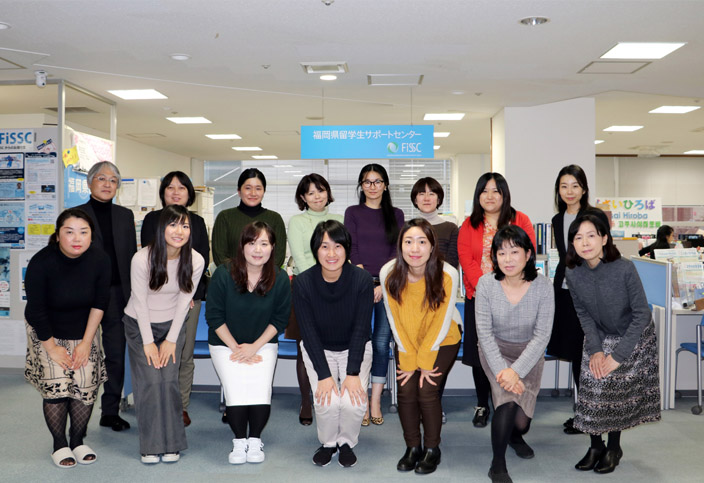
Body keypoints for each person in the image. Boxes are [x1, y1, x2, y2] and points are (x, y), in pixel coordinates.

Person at [565, 213, 661, 474]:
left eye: (591, 235)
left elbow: (642, 314)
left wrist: (616, 356)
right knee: (591, 380)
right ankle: (595, 445)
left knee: (612, 381)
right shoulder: (573, 272)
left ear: (604, 238)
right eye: (578, 237)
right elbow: (583, 314)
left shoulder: (624, 267)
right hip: (599, 334)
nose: (585, 242)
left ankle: (613, 447)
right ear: (572, 243)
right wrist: (595, 350)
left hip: (634, 334)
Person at [24, 208, 111, 468]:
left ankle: (77, 440)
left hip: (85, 329)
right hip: (47, 329)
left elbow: (100, 303)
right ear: (58, 234)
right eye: (69, 231)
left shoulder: (100, 259)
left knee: (84, 384)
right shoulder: (41, 262)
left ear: (91, 236)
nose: (77, 238)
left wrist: (86, 343)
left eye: (83, 232)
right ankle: (59, 444)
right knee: (58, 385)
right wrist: (52, 349)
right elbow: (36, 310)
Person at [123, 205, 205, 464]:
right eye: (173, 224)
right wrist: (149, 343)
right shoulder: (142, 258)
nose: (179, 231)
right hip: (139, 324)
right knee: (149, 382)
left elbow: (184, 302)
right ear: (161, 228)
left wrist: (171, 339)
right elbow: (139, 301)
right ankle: (150, 446)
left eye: (185, 226)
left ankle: (172, 444)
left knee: (169, 382)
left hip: (172, 325)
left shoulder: (196, 260)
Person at [380, 219, 462, 475]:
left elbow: (440, 322)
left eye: (422, 241)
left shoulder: (448, 273)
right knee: (405, 390)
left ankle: (432, 449)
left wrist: (424, 363)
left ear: (431, 245)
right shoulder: (388, 273)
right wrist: (409, 360)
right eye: (408, 241)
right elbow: (395, 321)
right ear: (400, 245)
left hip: (443, 339)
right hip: (406, 340)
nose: (415, 248)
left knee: (426, 390)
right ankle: (413, 447)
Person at [206, 221, 290, 465]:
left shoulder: (280, 277)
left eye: (264, 243)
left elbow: (280, 319)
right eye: (252, 242)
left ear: (273, 247)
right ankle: (238, 441)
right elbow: (214, 317)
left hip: (262, 343)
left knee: (260, 389)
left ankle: (255, 439)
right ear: (242, 245)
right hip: (225, 343)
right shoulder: (223, 273)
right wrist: (237, 348)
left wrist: (253, 347)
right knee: (236, 390)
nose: (257, 249)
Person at [475, 225, 554, 483]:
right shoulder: (486, 284)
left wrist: (516, 371)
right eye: (501, 253)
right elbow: (484, 334)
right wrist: (505, 371)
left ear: (528, 254)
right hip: (494, 350)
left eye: (514, 252)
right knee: (507, 402)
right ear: (494, 257)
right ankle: (497, 465)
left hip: (528, 355)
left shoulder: (543, 287)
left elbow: (542, 336)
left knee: (521, 423)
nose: (507, 259)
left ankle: (515, 436)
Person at [457, 172, 535, 428]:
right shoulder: (469, 224)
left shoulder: (520, 219)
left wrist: (505, 292)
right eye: (484, 191)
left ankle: (512, 401)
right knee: (482, 353)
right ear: (478, 196)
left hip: (516, 300)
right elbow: (467, 259)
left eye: (495, 191)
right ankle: (483, 403)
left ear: (504, 194)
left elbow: (528, 253)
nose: (489, 196)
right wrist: (489, 291)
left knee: (513, 351)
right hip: (479, 297)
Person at [293, 220, 373, 468]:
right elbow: (308, 332)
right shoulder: (303, 282)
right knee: (326, 400)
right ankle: (329, 443)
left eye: (337, 246)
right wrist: (324, 375)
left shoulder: (361, 279)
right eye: (324, 246)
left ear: (347, 249)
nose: (331, 254)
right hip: (319, 349)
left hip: (355, 348)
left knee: (353, 402)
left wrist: (352, 373)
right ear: (315, 250)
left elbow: (361, 329)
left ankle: (346, 441)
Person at [141, 171, 210, 427]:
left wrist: (187, 294)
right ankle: (156, 404)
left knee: (183, 354)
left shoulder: (198, 222)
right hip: (155, 300)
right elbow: (149, 260)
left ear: (189, 193)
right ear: (163, 193)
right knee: (155, 354)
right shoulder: (152, 220)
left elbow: (200, 260)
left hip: (189, 299)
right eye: (170, 187)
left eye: (182, 188)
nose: (176, 192)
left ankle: (180, 406)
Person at [546, 165, 610, 435]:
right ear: (558, 191)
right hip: (564, 289)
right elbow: (564, 256)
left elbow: (604, 253)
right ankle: (583, 413)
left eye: (574, 185)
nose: (569, 191)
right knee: (575, 353)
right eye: (564, 186)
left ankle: (593, 414)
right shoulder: (557, 219)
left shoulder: (594, 216)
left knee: (591, 354)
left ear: (583, 188)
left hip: (592, 290)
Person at [77, 161, 136, 432]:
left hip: (118, 295)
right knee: (81, 354)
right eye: (102, 178)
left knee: (115, 354)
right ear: (90, 182)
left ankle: (109, 411)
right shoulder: (75, 215)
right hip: (83, 296)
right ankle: (77, 409)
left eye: (113, 180)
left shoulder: (125, 216)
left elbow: (132, 259)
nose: (107, 184)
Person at [344, 163, 404, 426]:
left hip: (388, 285)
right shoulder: (352, 212)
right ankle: (359, 398)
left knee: (381, 343)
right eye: (367, 182)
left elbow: (397, 251)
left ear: (386, 185)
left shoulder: (397, 214)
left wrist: (381, 283)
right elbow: (351, 247)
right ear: (361, 186)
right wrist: (366, 283)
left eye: (377, 181)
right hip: (357, 285)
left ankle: (375, 400)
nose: (372, 187)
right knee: (358, 342)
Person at [287, 174, 344, 426]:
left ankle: (335, 398)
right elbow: (300, 258)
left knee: (337, 348)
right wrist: (322, 282)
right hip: (306, 291)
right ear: (303, 197)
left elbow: (346, 255)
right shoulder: (297, 222)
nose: (317, 196)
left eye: (320, 191)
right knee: (306, 348)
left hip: (339, 292)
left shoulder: (341, 220)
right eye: (310, 193)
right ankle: (306, 401)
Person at [411, 176, 459, 424]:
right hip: (413, 304)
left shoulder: (450, 227)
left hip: (441, 300)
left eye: (432, 193)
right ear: (415, 198)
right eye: (421, 193)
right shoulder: (408, 227)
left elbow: (451, 266)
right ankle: (421, 404)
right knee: (418, 352)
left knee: (438, 354)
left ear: (439, 198)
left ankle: (434, 403)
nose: (427, 197)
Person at [211, 168, 286, 267]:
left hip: (266, 280)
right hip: (231, 279)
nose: (253, 193)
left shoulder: (275, 219)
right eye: (248, 188)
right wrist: (241, 275)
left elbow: (278, 257)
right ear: (239, 191)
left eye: (258, 188)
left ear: (264, 191)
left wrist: (258, 276)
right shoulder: (224, 217)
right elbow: (219, 256)